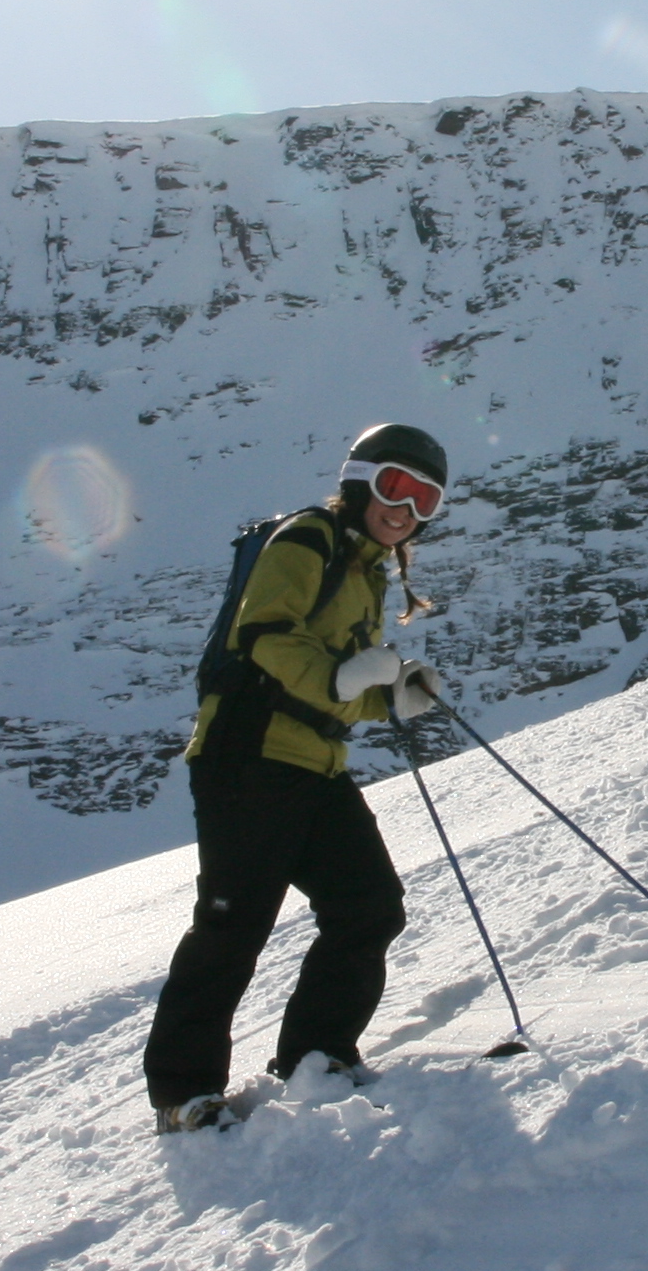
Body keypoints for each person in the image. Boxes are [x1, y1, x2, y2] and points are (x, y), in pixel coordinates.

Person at [142, 424, 451, 1135]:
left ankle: (317, 1056)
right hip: (246, 755)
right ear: (360, 478)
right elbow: (267, 635)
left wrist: (388, 696)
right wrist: (346, 678)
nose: (406, 508)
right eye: (396, 485)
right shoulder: (308, 539)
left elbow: (336, 681)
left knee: (369, 904)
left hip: (315, 764)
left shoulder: (366, 570)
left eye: (425, 498)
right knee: (233, 922)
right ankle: (181, 1094)